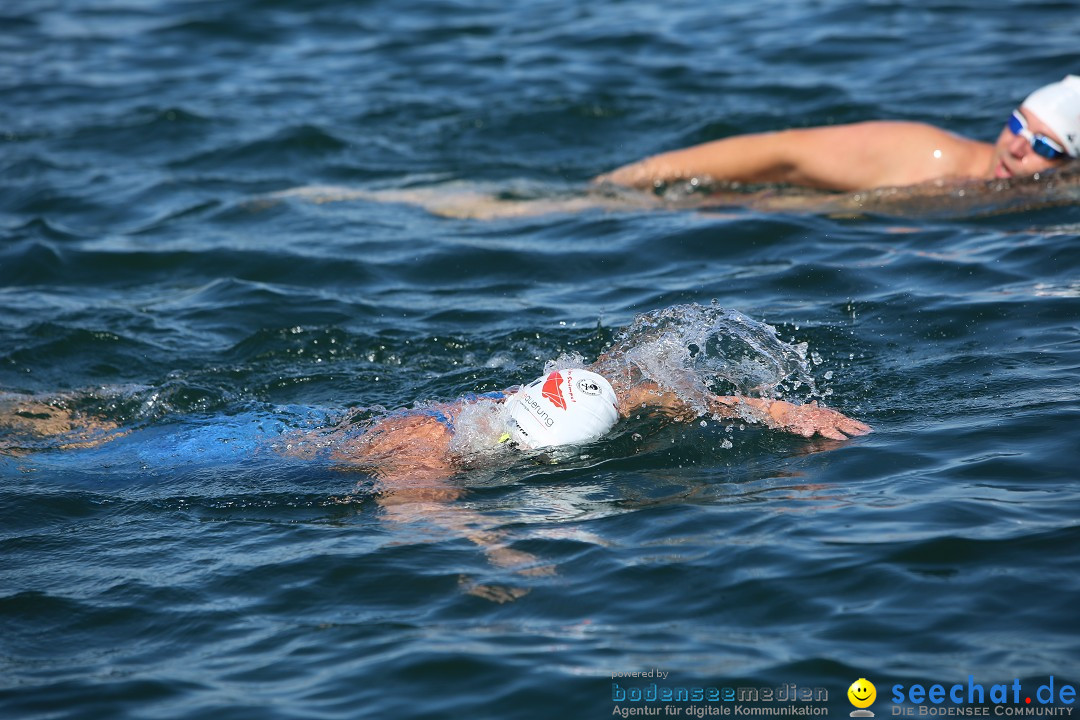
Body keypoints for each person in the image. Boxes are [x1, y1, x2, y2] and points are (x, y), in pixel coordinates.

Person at [596, 75, 1080, 193]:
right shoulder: (923, 154)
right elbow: (783, 150)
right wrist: (634, 179)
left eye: (1043, 145)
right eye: (1018, 124)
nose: (1017, 147)